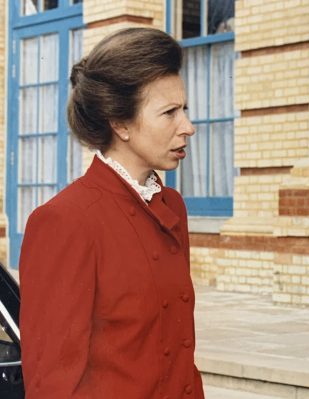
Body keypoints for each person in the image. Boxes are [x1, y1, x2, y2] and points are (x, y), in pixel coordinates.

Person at [19, 28, 204, 398]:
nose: (188, 127)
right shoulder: (65, 220)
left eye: (184, 110)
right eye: (169, 113)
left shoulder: (172, 207)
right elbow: (52, 381)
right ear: (119, 123)